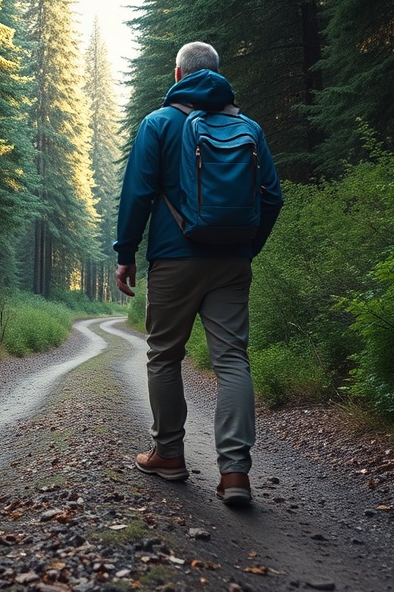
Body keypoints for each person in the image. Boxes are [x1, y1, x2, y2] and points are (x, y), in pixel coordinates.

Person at [114, 41, 282, 506]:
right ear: (217, 72)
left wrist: (126, 252)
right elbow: (272, 196)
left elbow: (138, 193)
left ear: (178, 74)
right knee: (232, 360)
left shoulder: (159, 123)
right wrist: (247, 248)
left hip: (174, 259)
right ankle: (235, 473)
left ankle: (169, 454)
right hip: (232, 262)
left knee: (164, 355)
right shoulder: (248, 127)